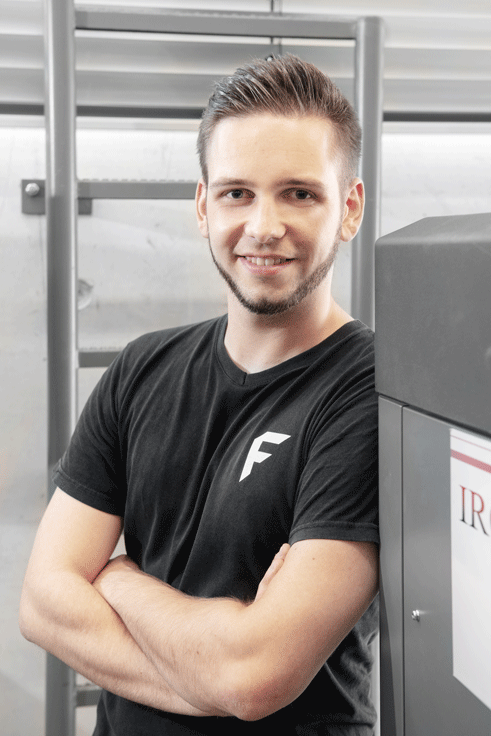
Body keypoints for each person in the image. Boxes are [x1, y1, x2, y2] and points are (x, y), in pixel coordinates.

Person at [20, 55, 379, 735]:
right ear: (202, 206)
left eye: (299, 193)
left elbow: (255, 674)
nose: (264, 225)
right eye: (237, 192)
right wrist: (214, 681)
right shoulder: (140, 369)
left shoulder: (371, 392)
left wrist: (115, 578)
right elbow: (42, 602)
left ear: (349, 209)